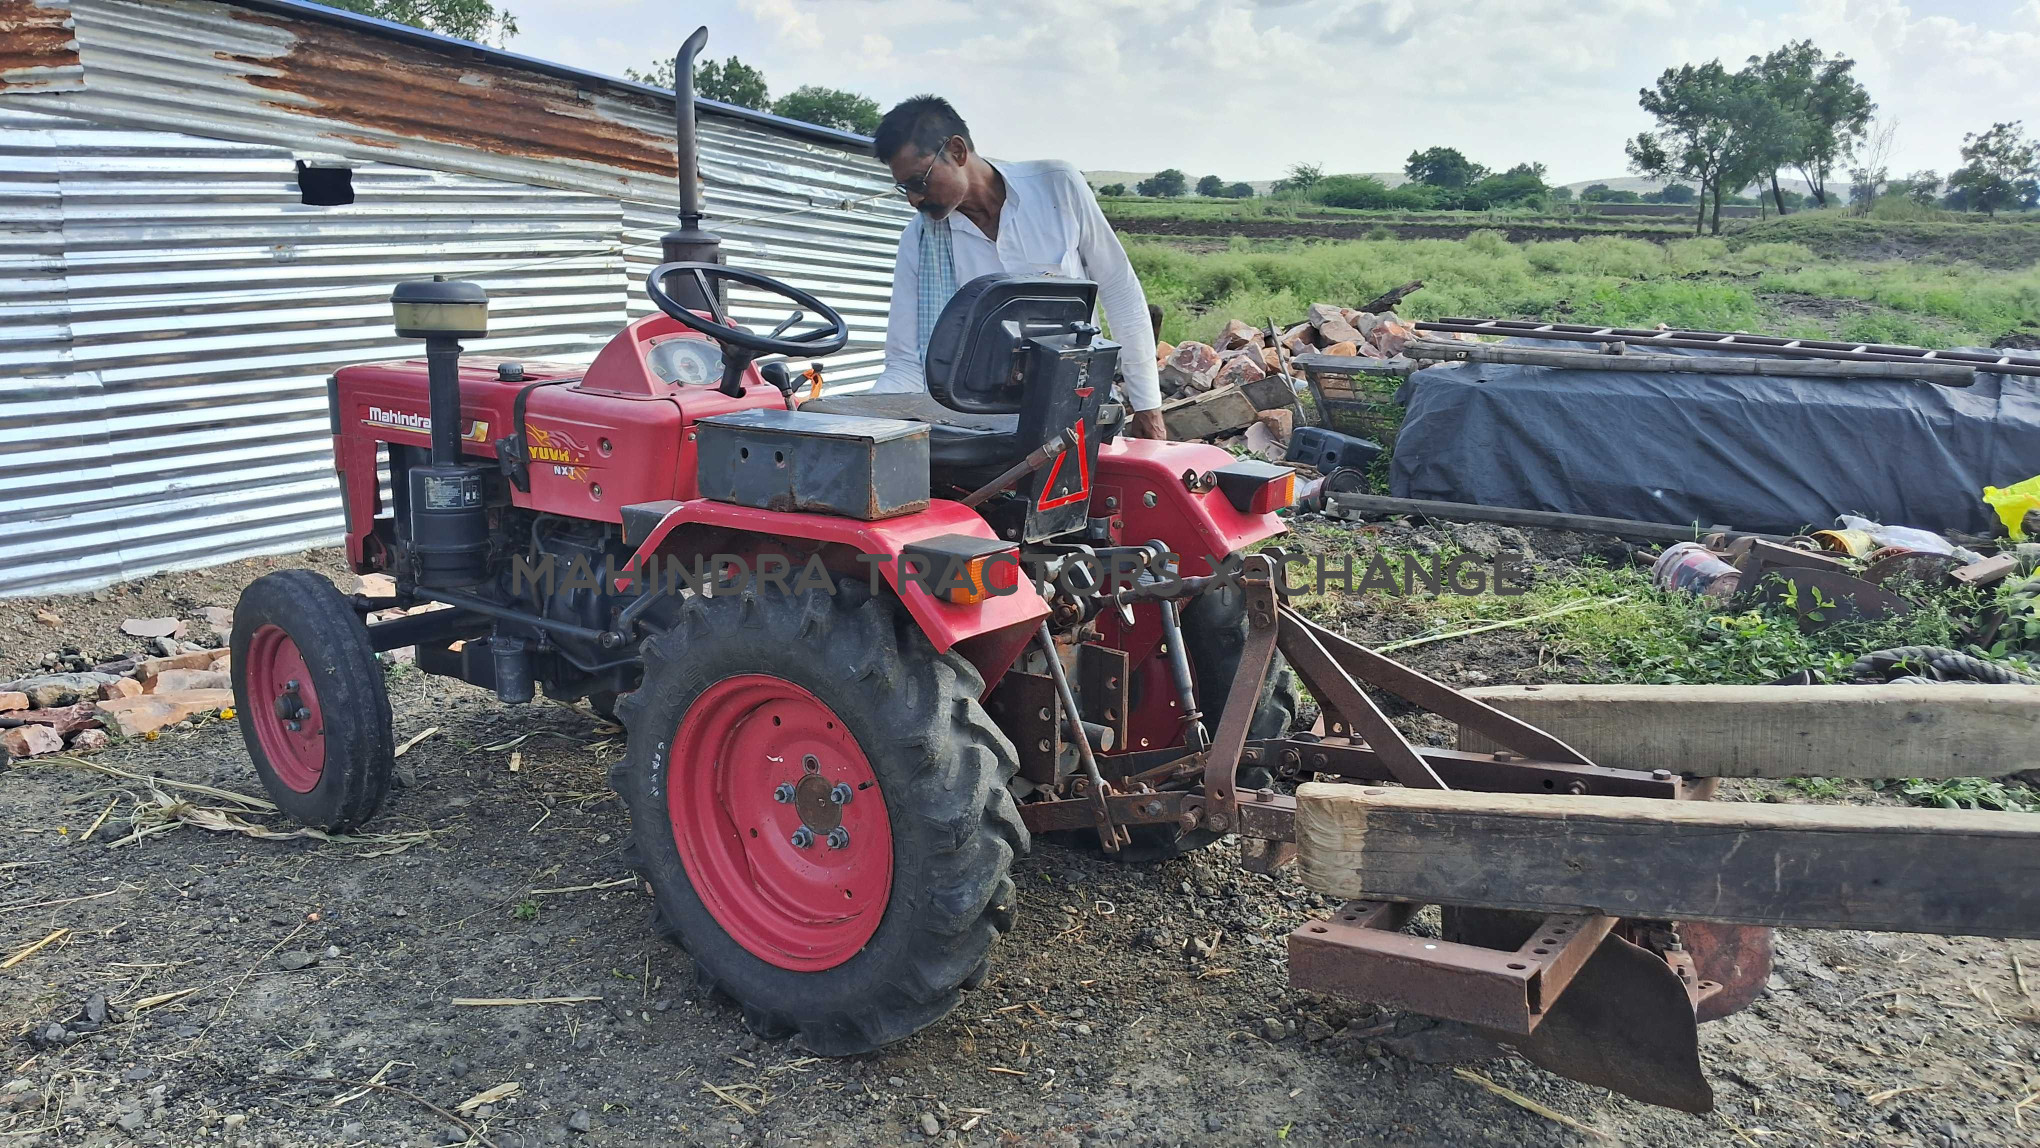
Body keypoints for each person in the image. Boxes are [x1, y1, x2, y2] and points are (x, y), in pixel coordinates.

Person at [867, 96, 1167, 439]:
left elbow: (1119, 291)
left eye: (920, 182)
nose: (914, 200)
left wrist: (1148, 406)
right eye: (905, 187)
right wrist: (865, 422)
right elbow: (907, 361)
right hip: (976, 429)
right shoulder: (920, 241)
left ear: (957, 151)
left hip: (1075, 412)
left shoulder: (1057, 187)